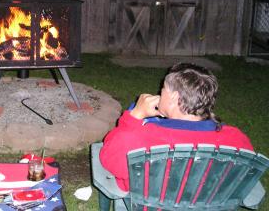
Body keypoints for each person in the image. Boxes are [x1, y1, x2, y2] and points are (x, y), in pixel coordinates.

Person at [99, 63, 253, 192]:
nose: (159, 93)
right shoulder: (236, 139)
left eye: (163, 89)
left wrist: (134, 116)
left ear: (174, 96)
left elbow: (109, 158)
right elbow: (244, 178)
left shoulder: (142, 136)